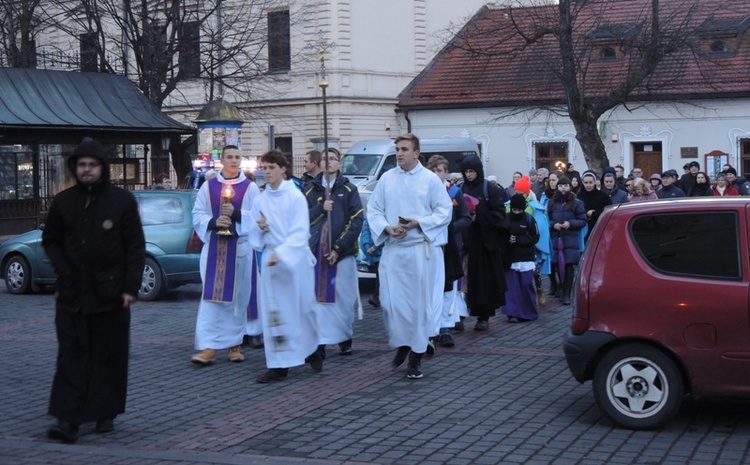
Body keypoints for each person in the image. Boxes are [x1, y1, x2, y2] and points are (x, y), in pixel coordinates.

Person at [42, 140, 146, 443]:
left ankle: (105, 412)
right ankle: (67, 419)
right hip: (72, 292)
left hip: (110, 293)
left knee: (108, 355)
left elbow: (134, 246)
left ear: (102, 168)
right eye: (82, 165)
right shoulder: (63, 202)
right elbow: (51, 240)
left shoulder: (121, 201)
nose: (86, 170)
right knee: (72, 355)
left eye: (92, 165)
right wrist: (63, 270)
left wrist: (130, 287)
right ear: (75, 168)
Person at [367, 133, 451, 379]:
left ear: (416, 153)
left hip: (419, 252)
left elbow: (444, 211)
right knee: (392, 304)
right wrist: (386, 227)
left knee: (418, 307)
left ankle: (416, 356)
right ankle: (403, 343)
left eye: (404, 149)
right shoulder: (386, 179)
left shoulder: (429, 180)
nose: (399, 153)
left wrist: (418, 223)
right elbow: (373, 209)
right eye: (397, 149)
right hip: (394, 250)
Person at [250, 149, 323, 383]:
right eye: (264, 168)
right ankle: (278, 365)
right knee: (275, 314)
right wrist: (260, 231)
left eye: (272, 168)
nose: (267, 172)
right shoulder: (260, 199)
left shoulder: (295, 197)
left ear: (283, 169)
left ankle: (312, 348)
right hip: (271, 261)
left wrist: (281, 253)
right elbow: (254, 230)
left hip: (294, 260)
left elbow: (300, 232)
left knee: (302, 310)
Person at [190, 145, 261, 366]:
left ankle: (234, 345)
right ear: (221, 160)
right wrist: (213, 222)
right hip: (214, 249)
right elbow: (198, 213)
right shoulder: (208, 186)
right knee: (211, 299)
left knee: (237, 300)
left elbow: (258, 216)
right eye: (229, 157)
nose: (233, 160)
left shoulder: (250, 188)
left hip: (239, 250)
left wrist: (237, 215)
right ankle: (209, 347)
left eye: (237, 157)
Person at [304, 147, 364, 357]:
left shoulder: (349, 190)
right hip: (315, 253)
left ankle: (344, 336)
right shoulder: (310, 189)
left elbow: (356, 220)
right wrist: (321, 208)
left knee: (342, 298)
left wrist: (339, 247)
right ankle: (320, 339)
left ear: (339, 163)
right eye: (324, 159)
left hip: (342, 253)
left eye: (332, 159)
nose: (328, 162)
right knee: (317, 299)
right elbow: (302, 218)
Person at [460, 154, 509, 331]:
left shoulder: (490, 189)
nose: (469, 175)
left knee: (484, 283)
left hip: (485, 244)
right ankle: (458, 316)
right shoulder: (460, 188)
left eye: (472, 171)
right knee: (462, 282)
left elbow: (500, 215)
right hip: (466, 243)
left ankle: (484, 316)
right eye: (466, 172)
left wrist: (479, 216)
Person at [428, 155, 471, 348]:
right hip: (430, 246)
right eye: (434, 170)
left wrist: (450, 227)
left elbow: (466, 218)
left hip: (451, 246)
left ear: (446, 173)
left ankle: (446, 327)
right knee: (431, 288)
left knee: (448, 286)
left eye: (441, 170)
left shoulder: (454, 193)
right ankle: (432, 327)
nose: (437, 174)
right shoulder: (424, 191)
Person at [501, 194, 541, 322]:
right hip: (510, 259)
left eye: (519, 210)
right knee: (512, 288)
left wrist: (518, 239)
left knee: (526, 285)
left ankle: (529, 312)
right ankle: (512, 313)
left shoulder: (530, 219)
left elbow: (535, 237)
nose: (517, 212)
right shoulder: (505, 219)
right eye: (514, 210)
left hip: (526, 258)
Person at [548, 176, 586, 305]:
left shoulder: (577, 203)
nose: (563, 188)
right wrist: (553, 224)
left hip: (570, 239)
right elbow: (546, 219)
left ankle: (566, 293)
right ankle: (559, 286)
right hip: (556, 238)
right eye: (561, 186)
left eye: (565, 185)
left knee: (569, 267)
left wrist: (570, 223)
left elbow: (583, 220)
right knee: (557, 265)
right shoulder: (551, 202)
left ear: (570, 187)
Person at [576, 171, 611, 243]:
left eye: (590, 182)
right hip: (583, 227)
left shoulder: (603, 196)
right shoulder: (578, 196)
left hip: (598, 226)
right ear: (583, 183)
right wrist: (586, 213)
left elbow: (608, 211)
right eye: (586, 183)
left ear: (594, 182)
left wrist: (594, 213)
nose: (588, 185)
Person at [360, 217, 383, 307]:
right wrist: (369, 247)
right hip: (375, 252)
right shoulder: (369, 219)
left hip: (377, 252)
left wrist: (370, 247)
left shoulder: (370, 219)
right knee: (380, 276)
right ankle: (377, 297)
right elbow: (365, 232)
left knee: (379, 276)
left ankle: (376, 297)